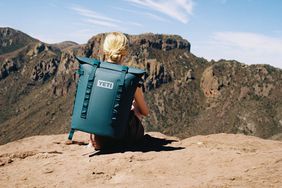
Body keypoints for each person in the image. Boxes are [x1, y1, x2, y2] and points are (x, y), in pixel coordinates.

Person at [90, 32, 149, 150]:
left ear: (105, 49)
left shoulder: (92, 73)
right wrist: (132, 106)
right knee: (134, 105)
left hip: (98, 139)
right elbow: (145, 112)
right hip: (124, 138)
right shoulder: (131, 78)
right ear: (124, 51)